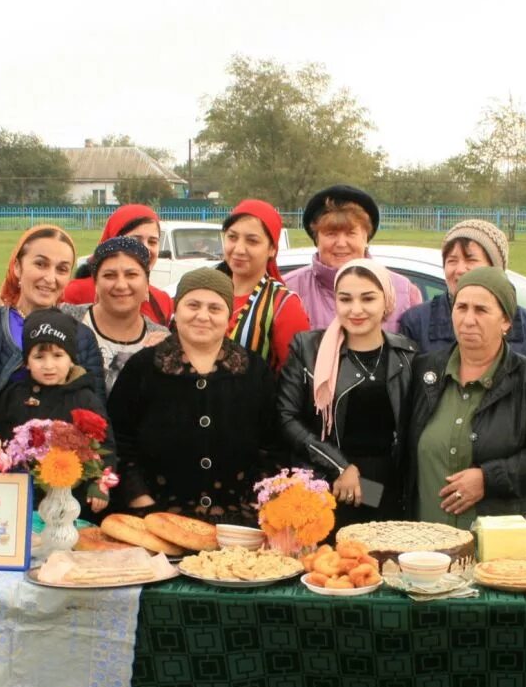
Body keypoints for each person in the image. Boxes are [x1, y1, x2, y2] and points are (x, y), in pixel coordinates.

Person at [107, 268, 281, 524]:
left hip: (239, 523)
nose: (203, 316)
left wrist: (257, 499)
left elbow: (274, 444)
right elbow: (118, 441)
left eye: (214, 308)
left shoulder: (254, 371)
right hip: (154, 519)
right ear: (176, 311)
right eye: (193, 305)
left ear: (229, 317)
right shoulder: (142, 368)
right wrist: (140, 499)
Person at [405, 266, 526, 525]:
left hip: (501, 545)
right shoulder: (424, 370)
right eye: (461, 307)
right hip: (429, 545)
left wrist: (488, 479)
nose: (468, 319)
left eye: (481, 310)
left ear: (506, 321)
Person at [276, 257, 417, 526]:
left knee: (380, 561)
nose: (356, 309)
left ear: (386, 302)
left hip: (388, 489)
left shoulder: (406, 354)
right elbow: (286, 417)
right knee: (331, 563)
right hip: (330, 482)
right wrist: (340, 467)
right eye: (345, 299)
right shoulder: (309, 349)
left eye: (368, 299)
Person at [0, 308, 114, 515]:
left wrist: (100, 483)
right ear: (26, 361)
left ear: (71, 358)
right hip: (17, 497)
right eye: (39, 357)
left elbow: (105, 445)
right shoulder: (14, 395)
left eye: (57, 355)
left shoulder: (85, 398)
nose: (49, 365)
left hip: (71, 499)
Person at [0, 226, 106, 413]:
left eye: (62, 269)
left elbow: (96, 416)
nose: (50, 278)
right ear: (17, 267)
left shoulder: (81, 336)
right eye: (41, 264)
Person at [396, 219, 526, 369]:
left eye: (471, 260)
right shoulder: (416, 323)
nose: (460, 270)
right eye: (452, 260)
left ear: (495, 269)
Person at [283, 184, 422, 334]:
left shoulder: (405, 293)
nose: (341, 244)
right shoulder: (286, 290)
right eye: (331, 233)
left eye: (350, 233)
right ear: (316, 239)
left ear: (366, 237)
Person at [63, 236, 167, 393]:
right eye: (109, 275)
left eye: (131, 275)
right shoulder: (66, 320)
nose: (120, 285)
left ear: (147, 284)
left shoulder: (162, 340)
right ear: (96, 284)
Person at [216, 198, 309, 370]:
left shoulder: (283, 305)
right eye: (232, 237)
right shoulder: (206, 290)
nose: (238, 249)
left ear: (272, 249)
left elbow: (295, 376)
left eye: (252, 241)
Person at [59, 203, 175, 323]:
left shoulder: (163, 301)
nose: (145, 248)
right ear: (112, 241)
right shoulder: (74, 293)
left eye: (152, 241)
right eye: (135, 240)